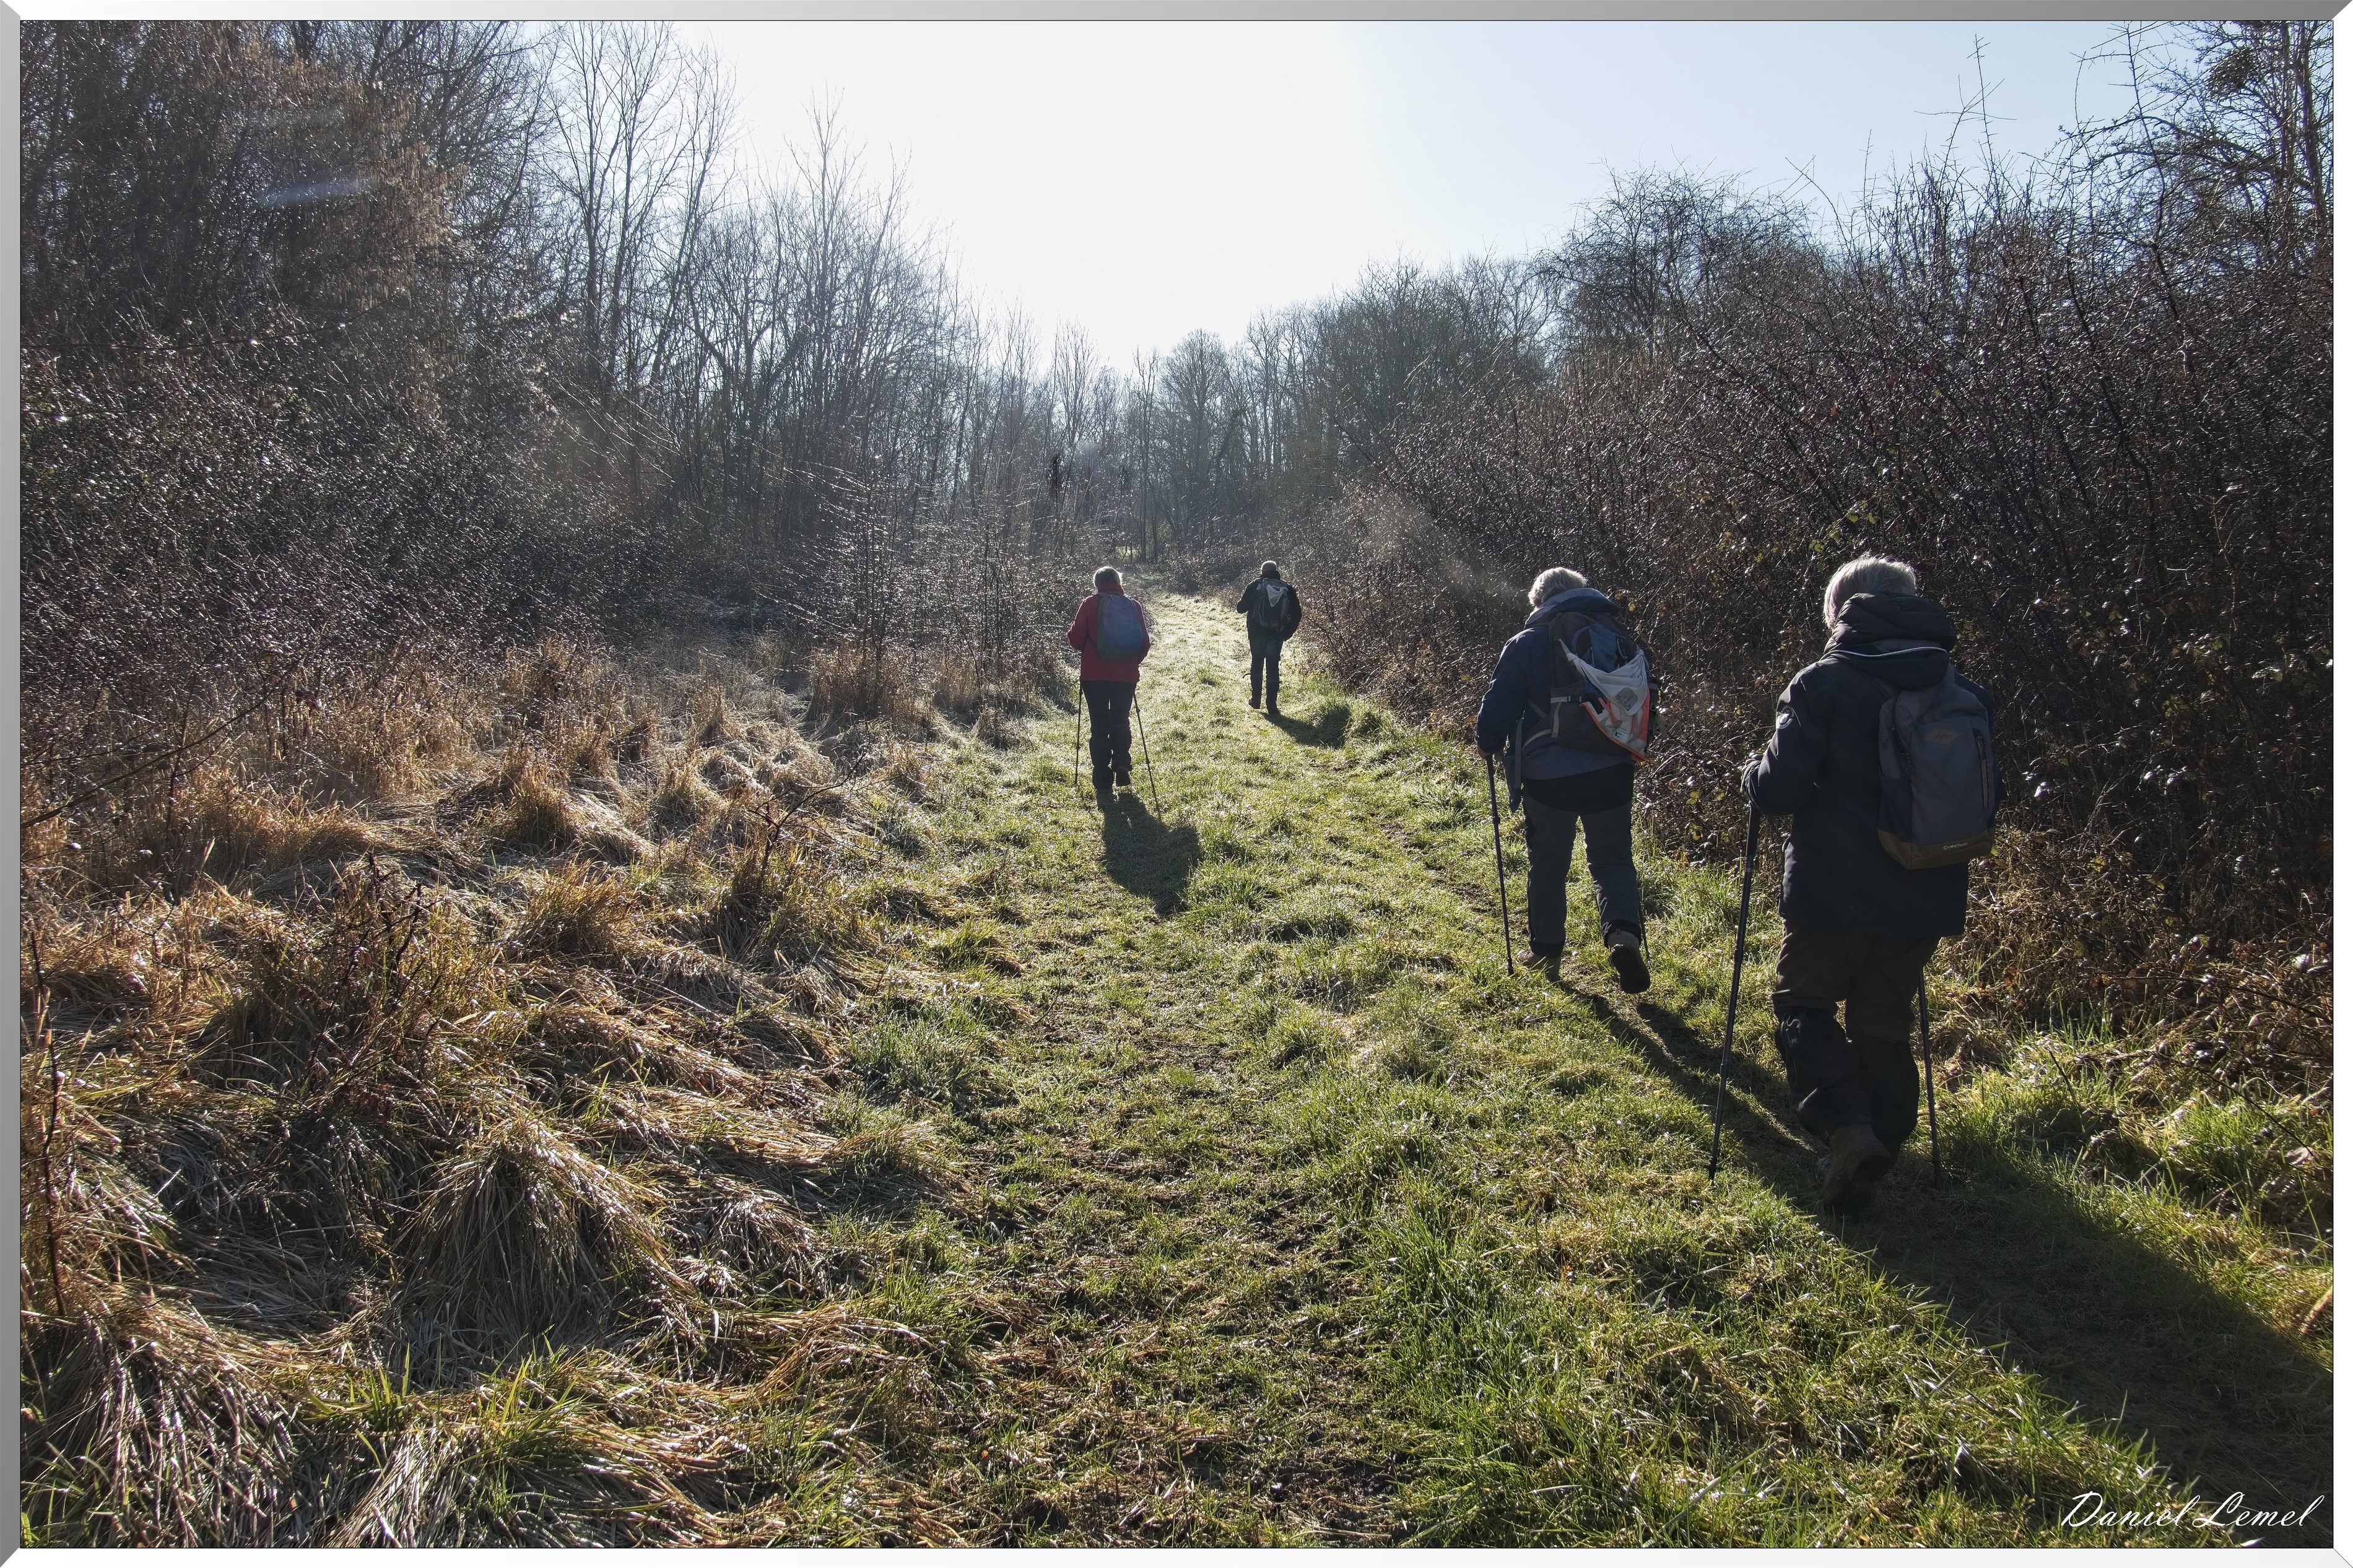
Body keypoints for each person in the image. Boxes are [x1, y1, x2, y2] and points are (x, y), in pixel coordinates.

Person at [1742, 554, 1999, 1216]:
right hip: (1927, 889)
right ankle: (1882, 1139)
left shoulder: (1823, 684)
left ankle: (1849, 1135)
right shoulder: (1958, 687)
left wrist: (1751, 772)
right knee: (1882, 1020)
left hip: (1833, 889)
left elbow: (1778, 790)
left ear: (1840, 611)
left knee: (1802, 1006)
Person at [1473, 567, 1650, 992]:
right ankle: (1623, 935)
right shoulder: (1619, 637)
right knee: (1612, 859)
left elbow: (1497, 709)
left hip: (1547, 774)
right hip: (1612, 767)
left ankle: (1546, 948)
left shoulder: (1528, 642)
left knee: (1548, 862)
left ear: (1539, 602)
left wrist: (1487, 742)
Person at [1066, 565, 1150, 794]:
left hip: (1094, 677)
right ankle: (1122, 762)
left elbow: (1075, 641)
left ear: (1097, 584)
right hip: (1125, 677)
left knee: (1099, 726)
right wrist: (1132, 663)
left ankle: (1102, 777)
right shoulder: (1133, 606)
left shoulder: (1090, 604)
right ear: (1118, 582)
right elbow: (1144, 643)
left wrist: (1071, 632)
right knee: (1121, 720)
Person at [1235, 560, 1303, 716]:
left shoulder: (1256, 585)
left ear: (1262, 571)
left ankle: (1256, 700)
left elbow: (1240, 609)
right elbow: (1297, 614)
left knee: (1257, 664)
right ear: (1277, 571)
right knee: (1273, 668)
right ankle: (1272, 706)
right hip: (1277, 634)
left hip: (1257, 633)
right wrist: (1287, 633)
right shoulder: (1287, 588)